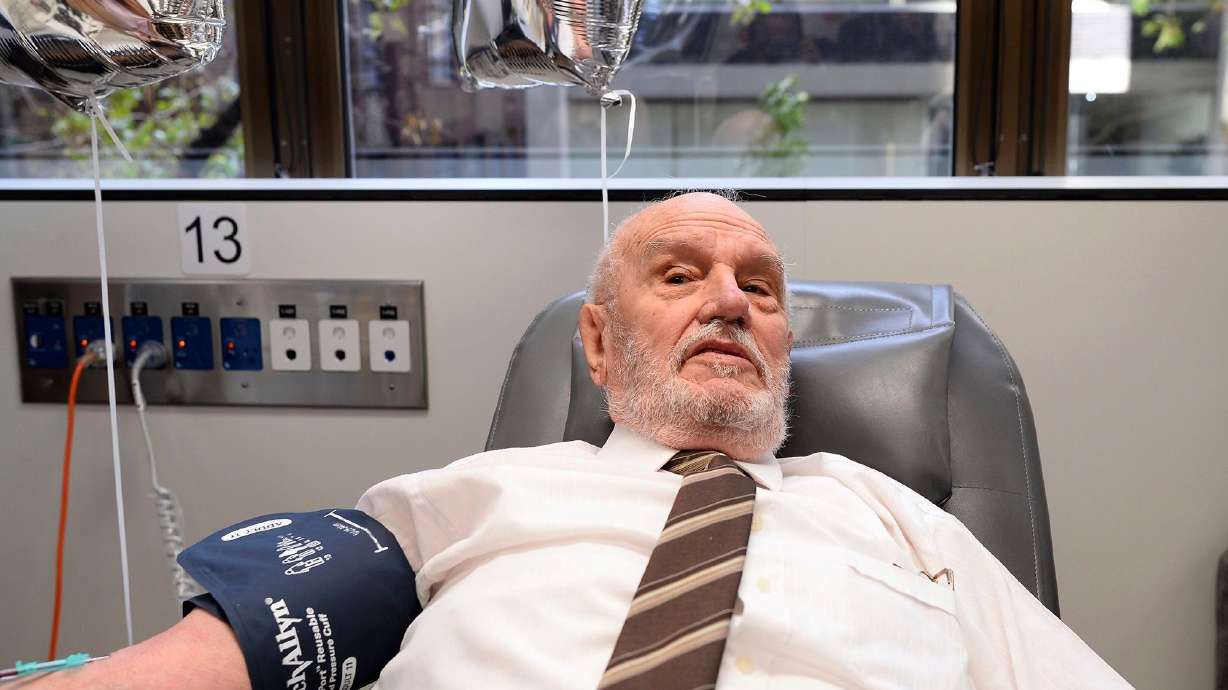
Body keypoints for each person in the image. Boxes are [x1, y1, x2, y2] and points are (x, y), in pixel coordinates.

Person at [30, 191, 1132, 689]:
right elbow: (304, 600)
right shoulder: (488, 491)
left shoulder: (888, 512)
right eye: (680, 276)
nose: (729, 302)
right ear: (597, 348)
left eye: (759, 286)